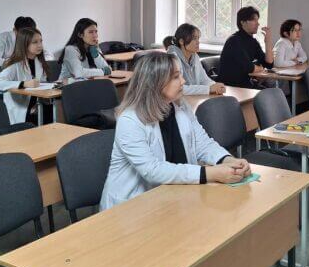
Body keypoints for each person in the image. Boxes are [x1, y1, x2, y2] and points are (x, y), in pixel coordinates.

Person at [100, 53, 251, 210]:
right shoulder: (130, 120)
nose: (183, 81)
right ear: (155, 82)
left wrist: (227, 160)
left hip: (173, 196)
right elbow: (152, 170)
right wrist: (210, 173)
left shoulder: (179, 105)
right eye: (176, 77)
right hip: (132, 206)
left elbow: (202, 143)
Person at [0, 27, 50, 124]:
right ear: (24, 44)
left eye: (41, 41)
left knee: (55, 111)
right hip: (21, 109)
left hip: (37, 105)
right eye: (35, 42)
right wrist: (23, 84)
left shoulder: (39, 62)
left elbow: (42, 84)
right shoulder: (14, 64)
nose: (40, 45)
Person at [218, 6, 274, 88]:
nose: (258, 23)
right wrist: (261, 68)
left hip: (245, 84)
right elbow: (250, 68)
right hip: (231, 86)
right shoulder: (234, 40)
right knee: (269, 93)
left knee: (273, 92)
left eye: (257, 20)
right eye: (253, 20)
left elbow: (269, 64)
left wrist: (268, 41)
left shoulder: (253, 41)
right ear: (243, 22)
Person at [167, 23, 225, 95]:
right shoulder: (173, 58)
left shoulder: (195, 57)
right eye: (194, 39)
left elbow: (204, 80)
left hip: (192, 99)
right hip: (177, 100)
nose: (198, 42)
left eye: (198, 38)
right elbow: (178, 88)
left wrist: (216, 86)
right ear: (181, 41)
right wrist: (209, 89)